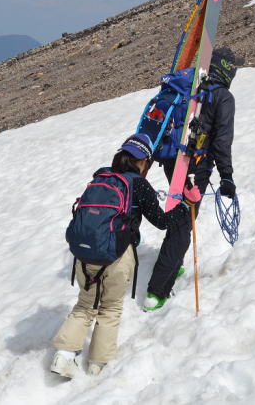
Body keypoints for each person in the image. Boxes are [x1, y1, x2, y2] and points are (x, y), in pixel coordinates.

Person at [50, 133, 200, 378]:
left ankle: (64, 356)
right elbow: (162, 222)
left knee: (85, 305)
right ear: (143, 161)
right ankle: (98, 364)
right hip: (117, 256)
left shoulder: (101, 176)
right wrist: (185, 206)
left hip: (84, 255)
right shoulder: (137, 183)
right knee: (110, 308)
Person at [143, 46, 243, 311]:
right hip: (194, 166)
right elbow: (222, 141)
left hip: (171, 159)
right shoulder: (223, 98)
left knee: (181, 217)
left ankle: (172, 267)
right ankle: (157, 291)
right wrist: (227, 178)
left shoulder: (191, 88)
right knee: (182, 224)